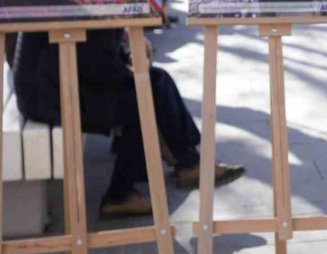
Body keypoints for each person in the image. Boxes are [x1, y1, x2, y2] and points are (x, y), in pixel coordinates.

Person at [13, 30, 245, 217]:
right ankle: (119, 195)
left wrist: (127, 55)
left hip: (56, 85)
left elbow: (95, 55)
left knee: (156, 82)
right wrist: (129, 63)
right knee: (140, 103)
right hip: (48, 96)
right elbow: (97, 63)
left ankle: (187, 160)